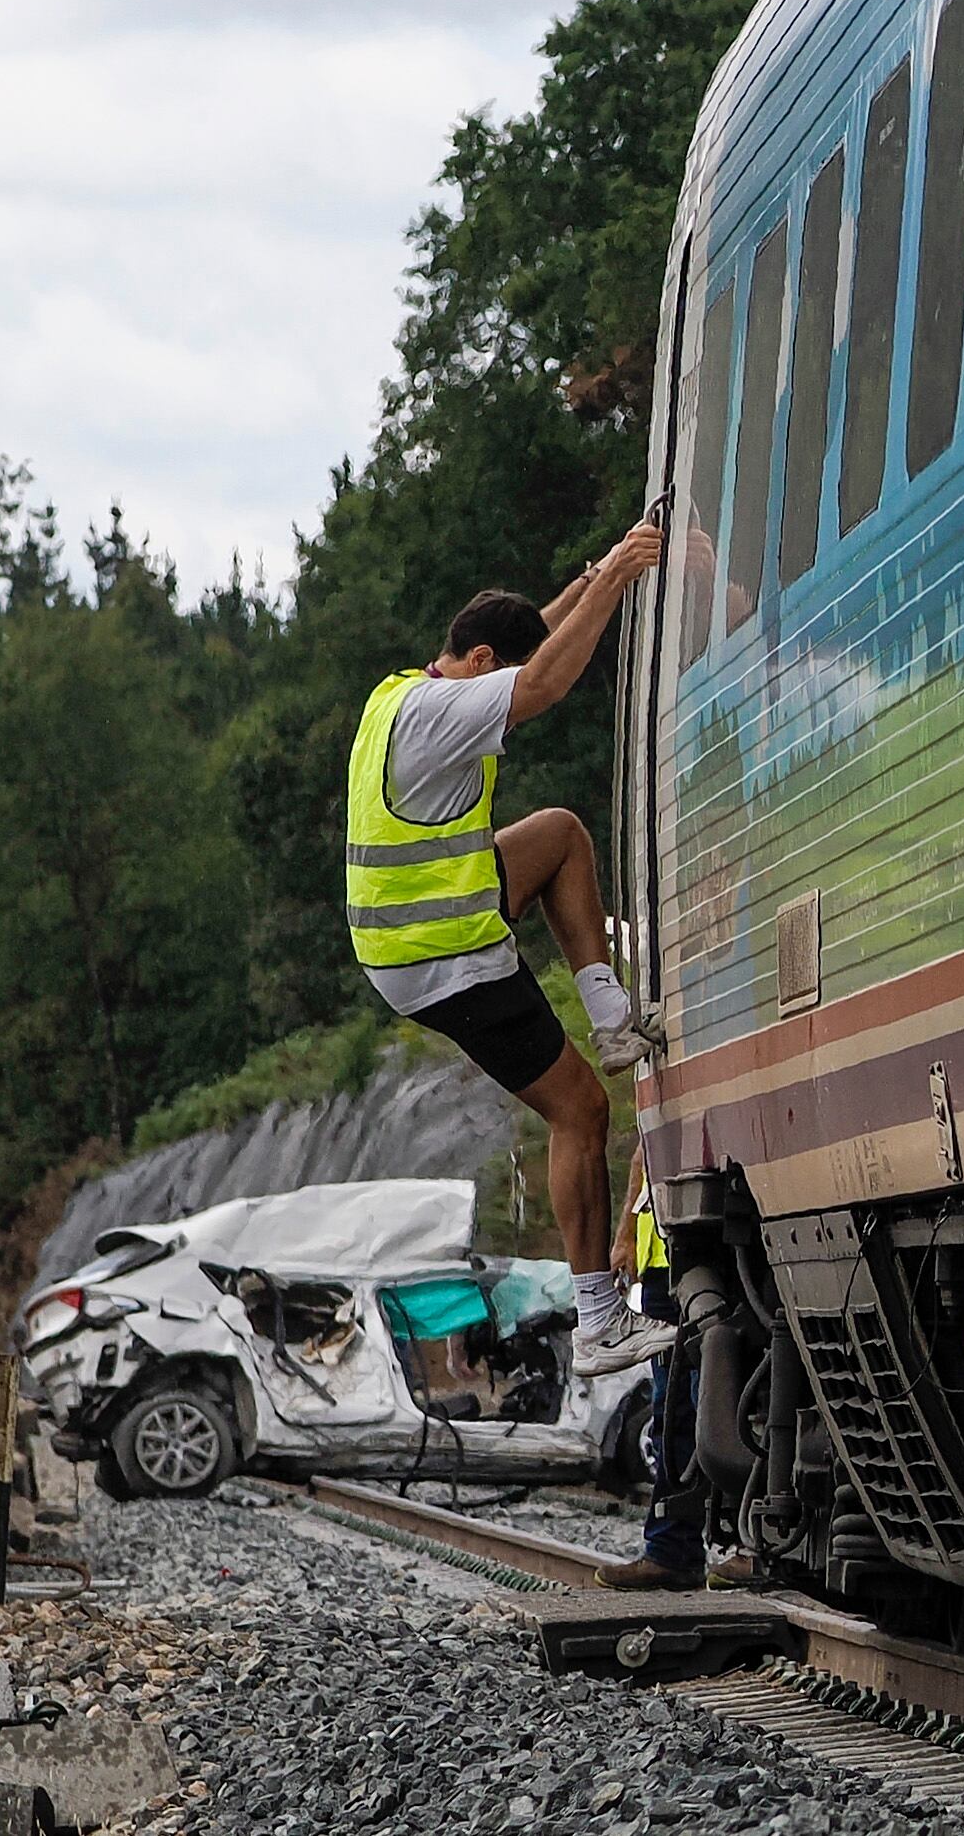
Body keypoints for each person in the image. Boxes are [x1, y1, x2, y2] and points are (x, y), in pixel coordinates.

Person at [344, 519, 672, 1379]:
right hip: (445, 956)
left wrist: (602, 573)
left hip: (412, 933)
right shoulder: (445, 713)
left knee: (558, 835)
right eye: (505, 672)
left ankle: (609, 1014)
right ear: (480, 663)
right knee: (581, 1113)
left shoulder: (402, 692)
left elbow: (537, 641)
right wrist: (626, 574)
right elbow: (549, 678)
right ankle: (600, 1321)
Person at [596, 1157, 702, 1591]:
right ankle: (671, 1552)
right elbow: (643, 1152)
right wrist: (625, 1236)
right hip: (661, 1266)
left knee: (713, 1403)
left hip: (709, 1242)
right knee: (671, 1412)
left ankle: (752, 1551)